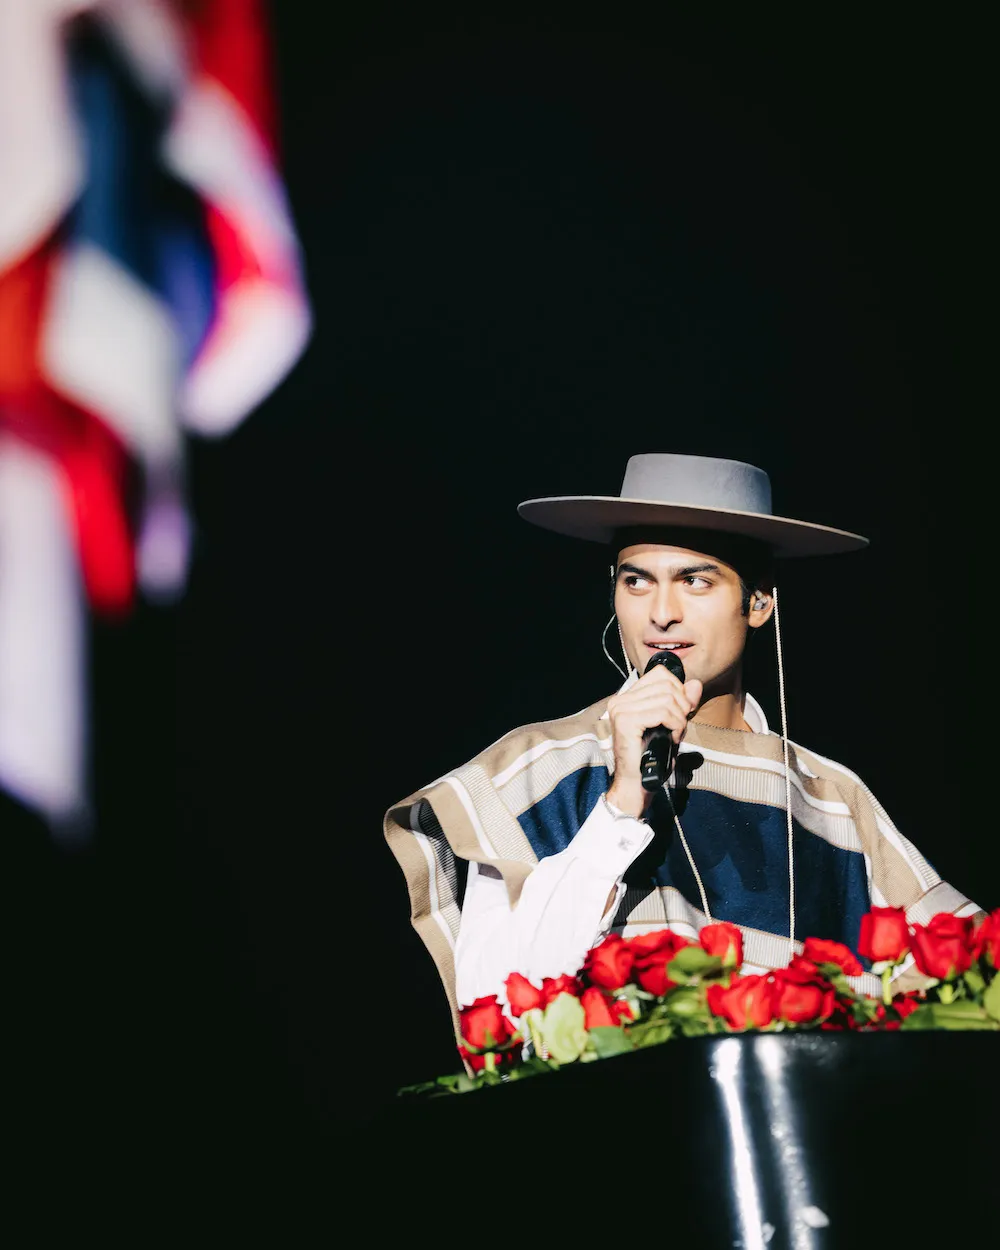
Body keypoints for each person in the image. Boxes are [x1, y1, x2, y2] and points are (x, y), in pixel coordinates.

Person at [383, 453, 981, 1035]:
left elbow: (969, 982)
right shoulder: (538, 768)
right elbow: (499, 1006)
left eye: (695, 581)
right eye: (637, 581)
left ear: (759, 601)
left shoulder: (832, 796)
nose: (661, 614)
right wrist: (620, 801)